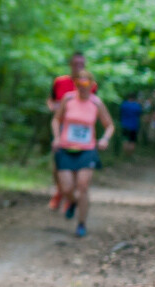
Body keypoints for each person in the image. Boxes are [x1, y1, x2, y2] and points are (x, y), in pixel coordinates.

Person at [50, 70, 114, 238]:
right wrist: (56, 138)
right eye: (79, 83)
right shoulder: (68, 99)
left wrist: (104, 139)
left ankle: (81, 223)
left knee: (83, 187)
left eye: (86, 84)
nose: (82, 87)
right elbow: (56, 119)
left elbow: (109, 125)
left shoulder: (96, 103)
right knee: (66, 188)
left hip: (87, 150)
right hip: (65, 148)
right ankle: (72, 201)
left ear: (92, 85)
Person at [46, 52, 91, 210]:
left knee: (75, 166)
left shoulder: (89, 83)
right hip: (62, 126)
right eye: (76, 63)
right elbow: (51, 100)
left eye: (82, 64)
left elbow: (93, 105)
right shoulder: (60, 81)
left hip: (81, 131)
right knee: (58, 164)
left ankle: (68, 197)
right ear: (71, 64)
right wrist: (53, 107)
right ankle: (61, 192)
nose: (79, 66)